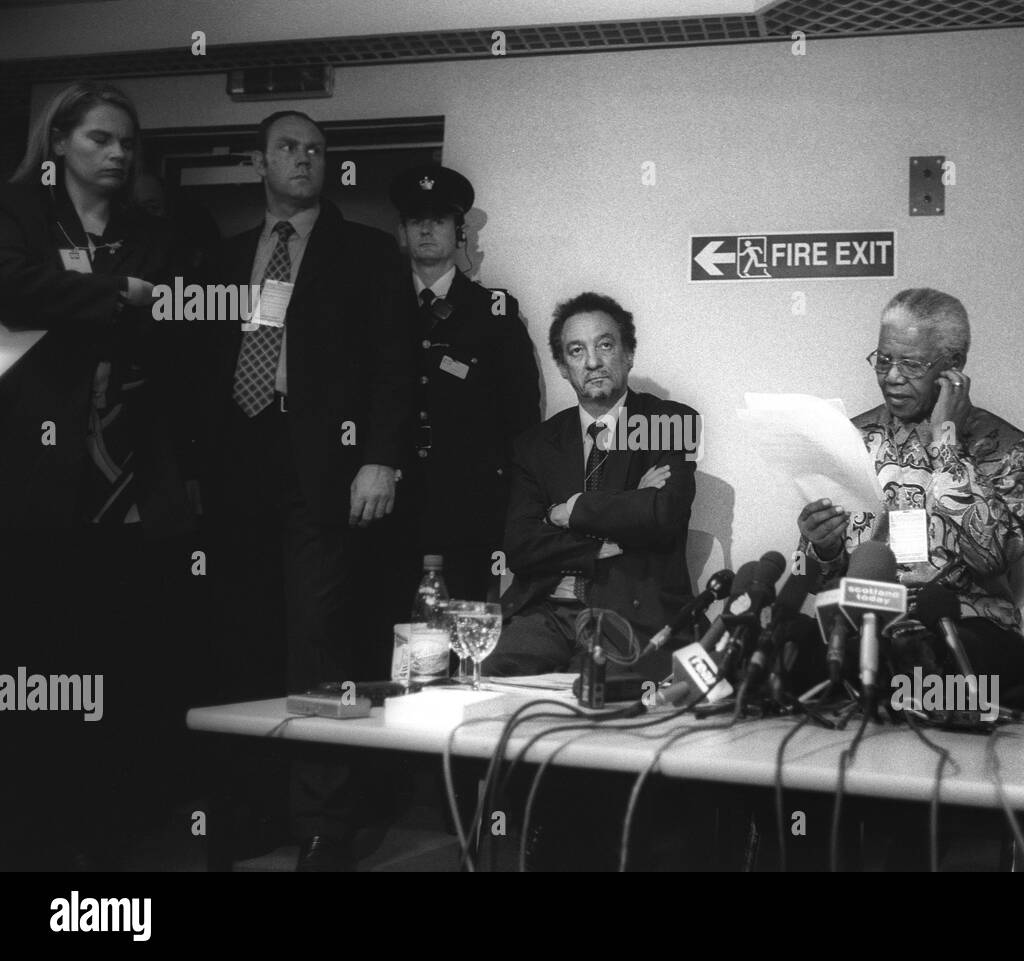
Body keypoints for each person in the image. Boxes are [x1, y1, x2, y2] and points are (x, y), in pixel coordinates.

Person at [197, 110, 412, 871]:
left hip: (324, 465)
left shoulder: (365, 251)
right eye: (288, 148)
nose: (304, 160)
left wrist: (380, 458)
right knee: (240, 635)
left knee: (319, 638)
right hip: (236, 465)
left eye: (317, 151)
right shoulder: (223, 257)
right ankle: (252, 814)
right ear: (259, 161)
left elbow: (395, 364)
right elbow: (195, 368)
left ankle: (326, 822)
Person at [0, 80, 196, 868]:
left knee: (123, 650)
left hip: (131, 469)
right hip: (35, 468)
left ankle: (119, 814)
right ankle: (34, 817)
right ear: (58, 144)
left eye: (126, 144)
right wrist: (115, 294)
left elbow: (173, 323)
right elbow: (14, 291)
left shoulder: (151, 229)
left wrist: (110, 304)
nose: (117, 155)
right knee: (37, 656)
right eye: (99, 140)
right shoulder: (18, 213)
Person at [796, 287, 1024, 709]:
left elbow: (992, 555)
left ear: (954, 368)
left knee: (954, 663)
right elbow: (821, 578)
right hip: (864, 623)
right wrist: (822, 544)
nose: (892, 377)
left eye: (910, 364)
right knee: (794, 647)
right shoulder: (850, 439)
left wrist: (946, 440)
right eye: (884, 359)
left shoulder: (1006, 446)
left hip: (960, 629)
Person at [481, 292, 699, 681]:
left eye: (605, 345)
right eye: (576, 351)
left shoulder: (665, 421)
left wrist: (569, 512)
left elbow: (659, 514)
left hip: (629, 614)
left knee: (599, 689)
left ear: (628, 353)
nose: (593, 362)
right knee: (485, 674)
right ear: (564, 368)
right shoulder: (536, 444)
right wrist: (606, 534)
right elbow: (521, 545)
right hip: (547, 611)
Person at [386, 163, 539, 607]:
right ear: (402, 232)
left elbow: (520, 413)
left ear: (460, 235)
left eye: (440, 220)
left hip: (470, 501)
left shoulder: (493, 310)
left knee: (464, 621)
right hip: (392, 501)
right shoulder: (380, 305)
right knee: (390, 624)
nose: (428, 230)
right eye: (417, 220)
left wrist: (515, 500)